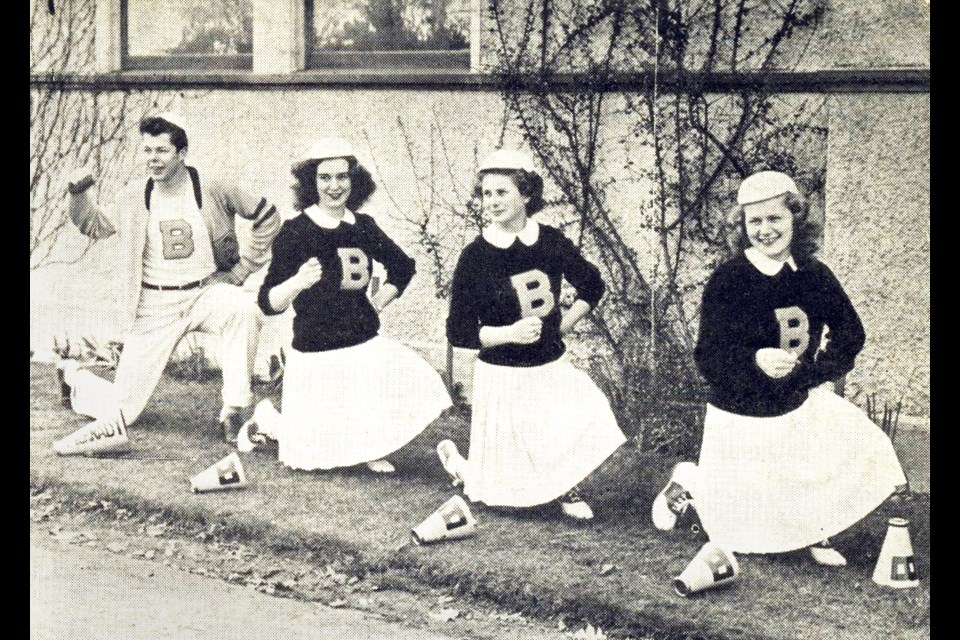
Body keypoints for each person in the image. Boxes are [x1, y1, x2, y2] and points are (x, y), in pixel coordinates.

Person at [652, 170, 907, 565]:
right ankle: (690, 483)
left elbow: (850, 334)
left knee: (861, 449)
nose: (765, 230)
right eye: (755, 220)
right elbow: (709, 355)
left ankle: (815, 528)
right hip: (739, 410)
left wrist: (810, 375)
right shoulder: (730, 279)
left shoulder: (814, 276)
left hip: (795, 403)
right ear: (741, 225)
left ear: (796, 220)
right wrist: (754, 360)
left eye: (775, 219)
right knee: (735, 535)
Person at [57, 112, 281, 449]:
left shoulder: (212, 188)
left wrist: (243, 269)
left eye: (161, 151)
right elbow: (94, 225)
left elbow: (267, 216)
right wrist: (78, 193)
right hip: (154, 304)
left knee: (244, 310)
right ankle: (75, 379)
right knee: (123, 412)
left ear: (181, 153)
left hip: (203, 293)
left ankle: (234, 409)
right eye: (147, 151)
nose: (153, 159)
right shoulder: (135, 194)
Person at [438, 149, 627, 520]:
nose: (491, 202)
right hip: (502, 373)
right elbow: (459, 331)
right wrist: (509, 333)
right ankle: (460, 465)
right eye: (486, 194)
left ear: (526, 194)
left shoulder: (551, 241)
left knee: (583, 416)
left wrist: (563, 325)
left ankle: (566, 485)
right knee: (500, 493)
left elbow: (592, 285)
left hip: (549, 364)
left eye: (501, 192)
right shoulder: (476, 255)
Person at [253, 138, 451, 474]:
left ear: (353, 180)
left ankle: (369, 445)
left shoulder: (363, 227)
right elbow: (268, 302)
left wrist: (376, 305)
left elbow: (403, 267)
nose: (334, 186)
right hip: (316, 351)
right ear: (311, 183)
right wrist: (298, 282)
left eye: (342, 177)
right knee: (310, 457)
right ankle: (268, 421)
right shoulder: (296, 231)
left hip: (362, 345)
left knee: (422, 382)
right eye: (325, 178)